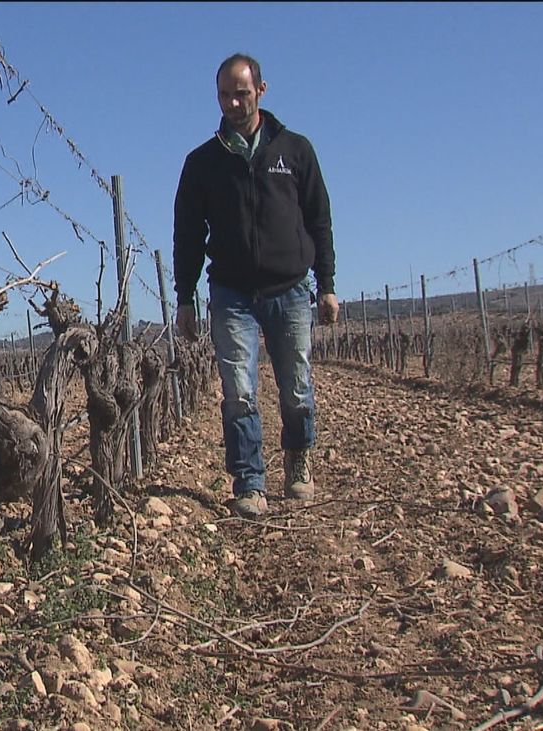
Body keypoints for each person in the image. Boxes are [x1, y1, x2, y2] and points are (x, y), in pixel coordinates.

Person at [172, 53, 339, 518]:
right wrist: (184, 297)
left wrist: (326, 283)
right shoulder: (202, 163)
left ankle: (298, 460)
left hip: (289, 288)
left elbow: (319, 219)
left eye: (241, 93)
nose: (232, 102)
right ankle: (249, 480)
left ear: (261, 90)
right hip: (231, 293)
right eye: (224, 94)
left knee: (296, 385)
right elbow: (187, 235)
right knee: (239, 390)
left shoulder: (296, 150)